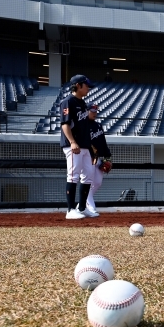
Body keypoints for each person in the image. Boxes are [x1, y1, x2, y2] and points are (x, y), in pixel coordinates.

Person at [60, 75, 98, 219]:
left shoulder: (83, 104)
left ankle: (82, 208)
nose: (88, 88)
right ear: (78, 85)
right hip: (73, 146)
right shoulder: (67, 102)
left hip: (85, 145)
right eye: (86, 85)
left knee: (88, 176)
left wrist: (90, 147)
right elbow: (65, 124)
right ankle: (70, 210)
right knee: (73, 175)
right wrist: (72, 142)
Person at [84, 104, 112, 215]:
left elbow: (103, 142)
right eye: (92, 111)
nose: (94, 113)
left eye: (96, 111)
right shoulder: (83, 126)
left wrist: (107, 156)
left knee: (97, 182)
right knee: (87, 182)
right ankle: (91, 208)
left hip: (97, 158)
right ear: (86, 111)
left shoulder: (98, 125)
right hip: (87, 158)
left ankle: (82, 203)